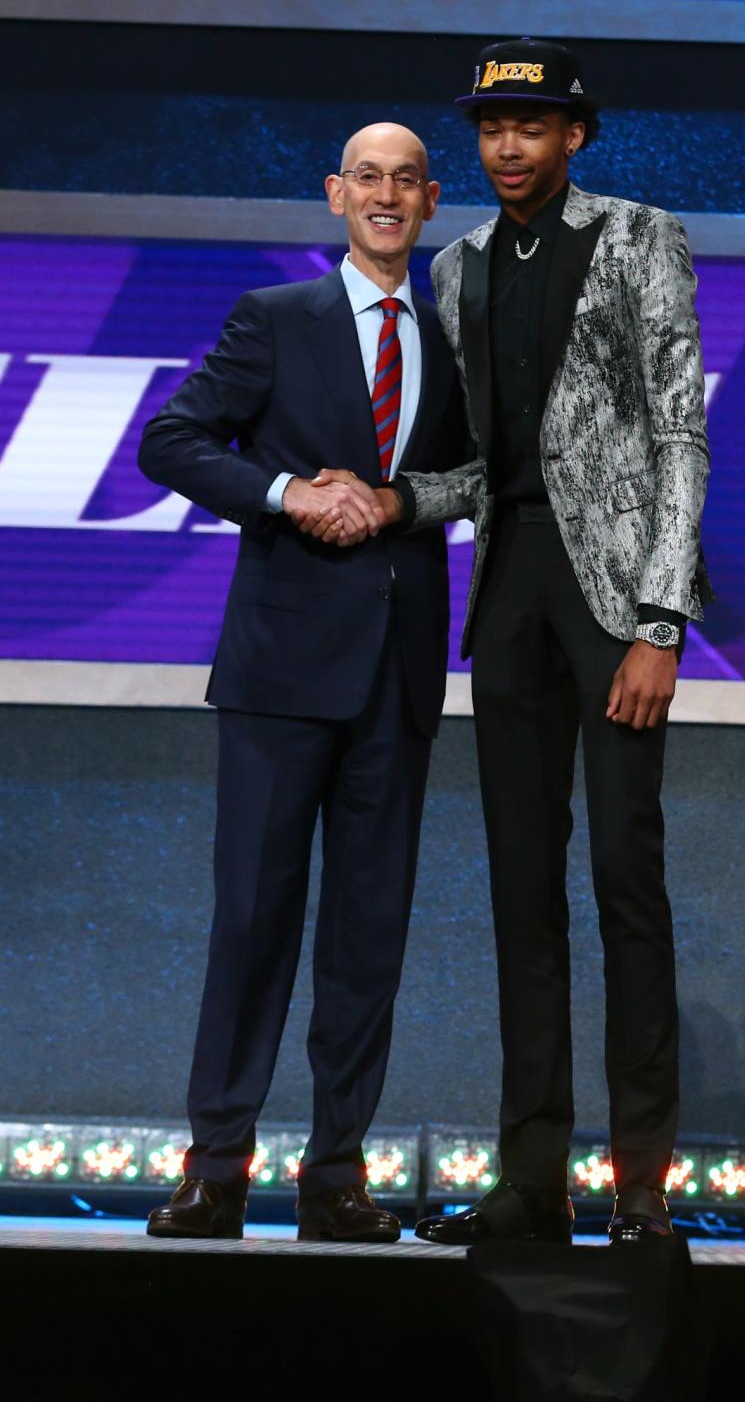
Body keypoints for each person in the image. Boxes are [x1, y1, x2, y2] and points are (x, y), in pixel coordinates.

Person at [315, 40, 712, 1245]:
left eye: (531, 126)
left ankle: (639, 1186)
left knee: (626, 889)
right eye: (491, 129)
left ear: (574, 135)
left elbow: (678, 431)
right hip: (509, 598)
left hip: (611, 608)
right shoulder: (457, 265)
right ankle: (532, 1181)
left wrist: (659, 620)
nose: (508, 147)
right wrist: (396, 500)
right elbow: (486, 465)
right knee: (520, 896)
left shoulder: (640, 236)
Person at [138, 123, 467, 1243]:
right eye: (366, 178)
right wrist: (287, 493)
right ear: (337, 196)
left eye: (406, 180)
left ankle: (337, 1176)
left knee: (368, 937)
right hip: (280, 676)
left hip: (400, 676)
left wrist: (403, 501)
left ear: (431, 202)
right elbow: (173, 441)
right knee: (254, 923)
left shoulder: (456, 336)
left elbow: (483, 477)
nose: (385, 196)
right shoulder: (276, 319)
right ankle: (216, 1167)